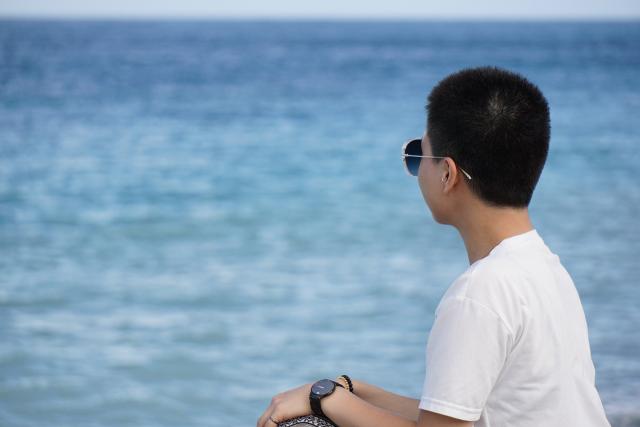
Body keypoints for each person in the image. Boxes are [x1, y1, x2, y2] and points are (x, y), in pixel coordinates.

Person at [257, 66, 611, 427]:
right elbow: (457, 415)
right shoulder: (544, 268)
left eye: (417, 155)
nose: (415, 169)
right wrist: (352, 390)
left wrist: (323, 400)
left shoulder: (479, 293)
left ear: (447, 175)